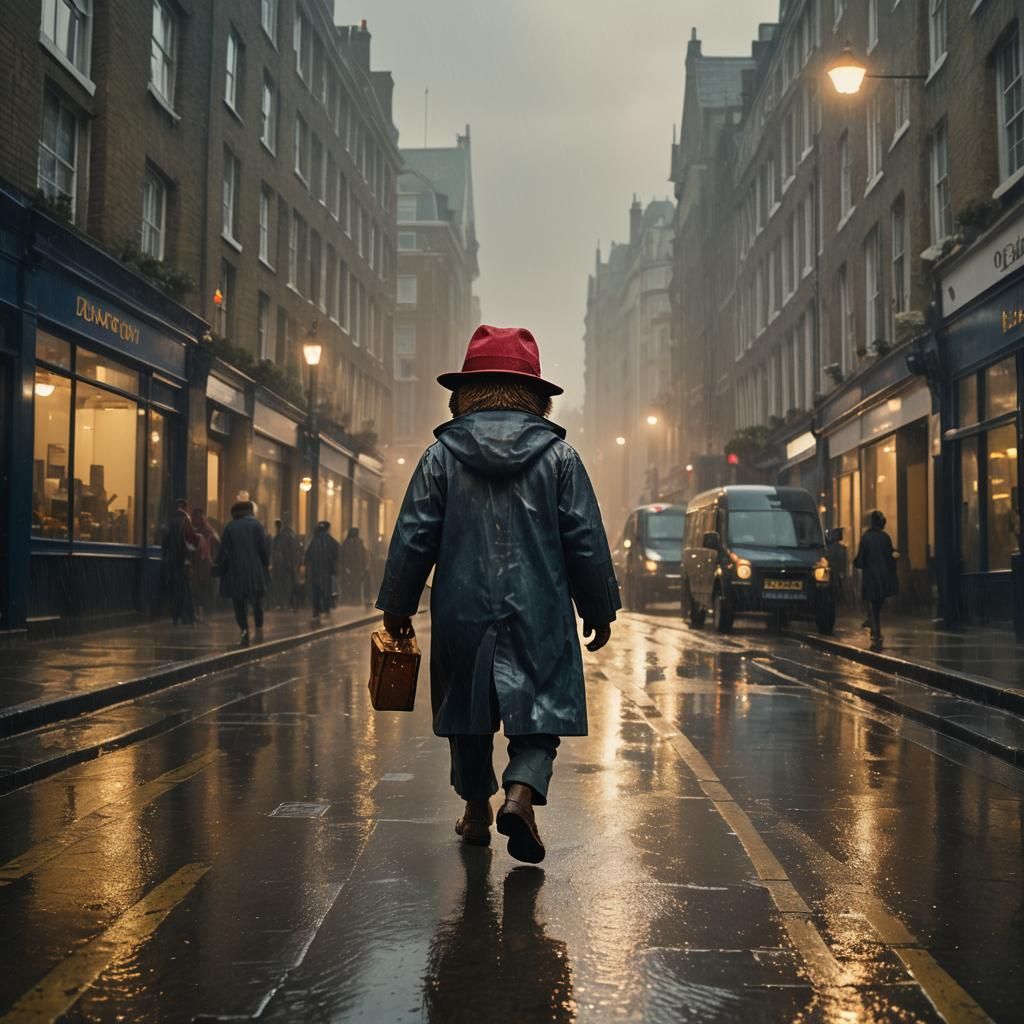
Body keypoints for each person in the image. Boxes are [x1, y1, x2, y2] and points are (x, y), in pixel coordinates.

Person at [376, 325, 620, 864]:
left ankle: (474, 810)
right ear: (536, 396)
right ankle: (520, 792)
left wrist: (398, 606)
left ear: (465, 392)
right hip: (541, 607)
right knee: (543, 703)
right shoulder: (561, 460)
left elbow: (415, 534)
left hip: (461, 607)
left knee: (467, 709)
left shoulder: (440, 458)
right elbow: (585, 539)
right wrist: (598, 607)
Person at [215, 499, 271, 645]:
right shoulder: (256, 526)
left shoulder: (230, 527)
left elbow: (223, 552)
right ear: (250, 511)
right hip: (254, 570)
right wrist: (266, 565)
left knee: (239, 603)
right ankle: (259, 629)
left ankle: (244, 631)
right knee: (257, 601)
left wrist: (218, 566)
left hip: (235, 571)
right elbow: (263, 549)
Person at [854, 509, 898, 650]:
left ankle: (875, 627)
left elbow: (860, 560)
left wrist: (858, 563)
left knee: (873, 604)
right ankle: (875, 627)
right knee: (878, 604)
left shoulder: (866, 538)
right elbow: (891, 559)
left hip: (871, 577)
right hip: (883, 577)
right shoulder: (885, 538)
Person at [161, 499, 197, 625]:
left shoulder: (170, 521)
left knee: (176, 588)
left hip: (172, 561)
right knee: (184, 588)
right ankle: (186, 616)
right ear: (184, 507)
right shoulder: (185, 520)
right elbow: (190, 540)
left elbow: (165, 542)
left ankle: (175, 615)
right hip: (182, 560)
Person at [305, 520, 339, 621]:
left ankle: (316, 610)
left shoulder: (314, 540)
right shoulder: (330, 540)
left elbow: (307, 554)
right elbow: (336, 551)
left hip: (315, 570)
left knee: (316, 590)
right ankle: (326, 609)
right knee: (327, 589)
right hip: (326, 570)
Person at [191, 507, 219, 622]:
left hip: (203, 564)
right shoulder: (210, 530)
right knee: (203, 589)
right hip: (206, 564)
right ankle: (204, 612)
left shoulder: (205, 531)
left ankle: (202, 612)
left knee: (201, 588)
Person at [271, 514, 301, 610]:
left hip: (284, 565)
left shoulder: (282, 536)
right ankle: (288, 603)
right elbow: (294, 550)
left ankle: (284, 603)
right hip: (287, 564)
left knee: (284, 584)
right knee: (288, 584)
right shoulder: (291, 535)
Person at [339, 526, 371, 606]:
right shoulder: (358, 542)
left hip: (353, 568)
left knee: (353, 584)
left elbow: (343, 556)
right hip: (355, 567)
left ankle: (353, 600)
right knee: (355, 584)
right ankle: (355, 600)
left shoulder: (346, 543)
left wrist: (345, 567)